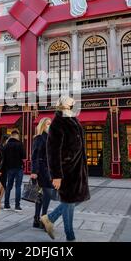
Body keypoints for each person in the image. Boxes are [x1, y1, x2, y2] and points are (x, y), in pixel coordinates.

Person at [40, 96, 90, 242]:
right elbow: (52, 150)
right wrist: (56, 175)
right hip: (66, 169)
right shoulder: (58, 122)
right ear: (62, 104)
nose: (72, 100)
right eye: (69, 99)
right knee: (69, 201)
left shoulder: (73, 118)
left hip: (78, 169)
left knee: (72, 200)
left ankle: (50, 219)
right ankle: (69, 236)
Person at [31, 117, 53, 228]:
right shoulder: (39, 138)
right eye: (48, 124)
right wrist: (34, 171)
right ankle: (43, 219)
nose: (50, 126)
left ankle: (37, 219)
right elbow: (35, 156)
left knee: (41, 195)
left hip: (48, 170)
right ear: (43, 125)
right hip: (40, 170)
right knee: (46, 194)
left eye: (51, 124)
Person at [2, 130, 26, 211]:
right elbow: (24, 156)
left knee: (9, 186)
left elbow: (4, 158)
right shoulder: (20, 144)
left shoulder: (6, 145)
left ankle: (6, 205)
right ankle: (17, 206)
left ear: (11, 135)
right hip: (19, 168)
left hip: (9, 168)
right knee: (18, 187)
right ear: (16, 135)